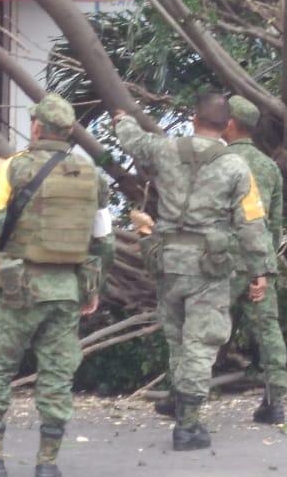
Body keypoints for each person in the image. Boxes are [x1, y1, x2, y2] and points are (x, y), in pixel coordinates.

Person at [0, 94, 113, 477]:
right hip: (66, 291)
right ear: (69, 132)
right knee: (57, 374)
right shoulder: (92, 174)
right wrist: (92, 288)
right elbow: (104, 241)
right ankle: (47, 464)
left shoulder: (14, 168)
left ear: (37, 128)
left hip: (16, 288)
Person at [113, 93, 275, 451]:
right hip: (210, 266)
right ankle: (188, 425)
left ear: (192, 117)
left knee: (177, 340)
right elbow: (251, 224)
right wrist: (259, 270)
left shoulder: (165, 149)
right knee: (200, 344)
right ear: (227, 125)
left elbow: (133, 141)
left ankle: (179, 400)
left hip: (168, 261)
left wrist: (122, 118)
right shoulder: (236, 168)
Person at [223, 95, 287, 424]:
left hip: (222, 259)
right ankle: (275, 401)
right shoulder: (269, 166)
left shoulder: (218, 162)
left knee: (200, 327)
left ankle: (183, 398)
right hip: (260, 260)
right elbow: (275, 222)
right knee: (268, 330)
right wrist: (265, 260)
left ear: (230, 124)